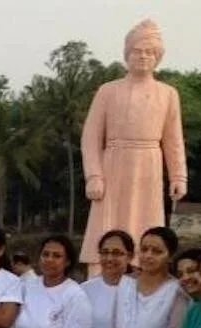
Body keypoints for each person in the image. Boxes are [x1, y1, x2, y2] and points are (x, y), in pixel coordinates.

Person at [79, 19, 187, 273]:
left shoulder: (168, 94)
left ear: (157, 57)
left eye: (150, 52)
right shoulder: (108, 91)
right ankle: (100, 272)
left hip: (149, 164)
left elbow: (173, 139)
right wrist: (94, 175)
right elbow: (90, 137)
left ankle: (143, 271)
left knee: (145, 223)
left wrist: (178, 176)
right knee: (107, 224)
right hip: (114, 163)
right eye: (137, 51)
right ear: (127, 54)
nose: (143, 56)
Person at [75, 230, 133, 328]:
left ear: (129, 256)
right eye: (105, 252)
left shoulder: (137, 291)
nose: (109, 258)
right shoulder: (84, 290)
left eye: (117, 253)